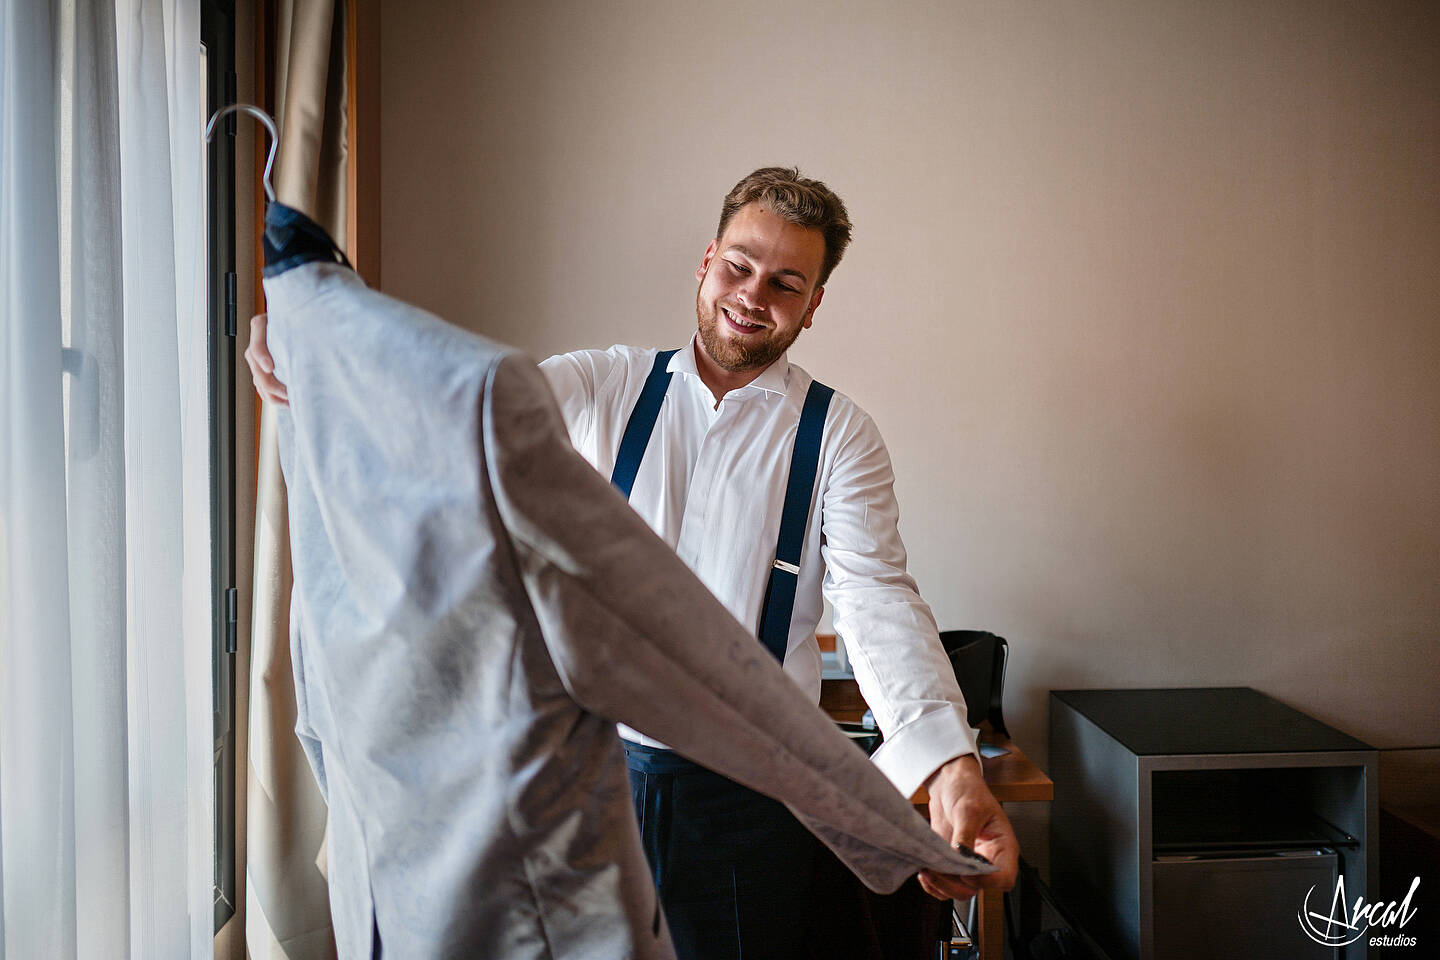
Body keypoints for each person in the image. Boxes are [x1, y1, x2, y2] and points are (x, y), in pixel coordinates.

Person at [249, 168, 1019, 957]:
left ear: (814, 304)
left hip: (755, 804)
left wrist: (952, 772)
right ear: (706, 261)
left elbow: (877, 601)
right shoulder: (600, 384)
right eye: (740, 266)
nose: (754, 295)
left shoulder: (840, 437)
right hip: (589, 781)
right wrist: (314, 357)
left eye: (787, 282)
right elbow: (463, 420)